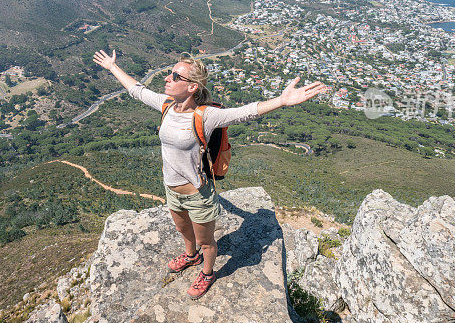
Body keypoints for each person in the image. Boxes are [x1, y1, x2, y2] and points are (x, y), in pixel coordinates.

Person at [93, 49, 323, 299]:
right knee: (183, 231)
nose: (167, 79)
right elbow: (136, 90)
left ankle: (207, 273)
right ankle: (191, 258)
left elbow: (245, 112)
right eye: (170, 74)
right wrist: (112, 67)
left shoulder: (206, 115)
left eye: (175, 76)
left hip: (197, 194)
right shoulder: (167, 106)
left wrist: (281, 101)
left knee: (207, 243)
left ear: (192, 88)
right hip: (171, 190)